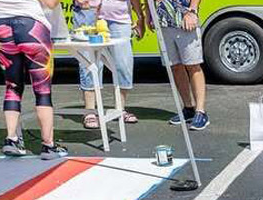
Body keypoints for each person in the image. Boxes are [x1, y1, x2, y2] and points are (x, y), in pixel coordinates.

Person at [0, 0, 68, 159]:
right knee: (42, 90)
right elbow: (51, 3)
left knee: (12, 86)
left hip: (0, 24)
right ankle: (48, 145)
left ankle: (12, 139)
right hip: (31, 24)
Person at [72, 0, 148, 128]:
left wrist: (140, 17)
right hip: (87, 12)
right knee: (89, 64)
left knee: (124, 63)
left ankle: (120, 109)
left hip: (119, 17)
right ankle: (90, 112)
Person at [152, 0, 208, 130]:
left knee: (193, 65)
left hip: (186, 18)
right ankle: (188, 108)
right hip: (164, 21)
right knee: (175, 66)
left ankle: (201, 112)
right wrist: (150, 15)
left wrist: (193, 10)